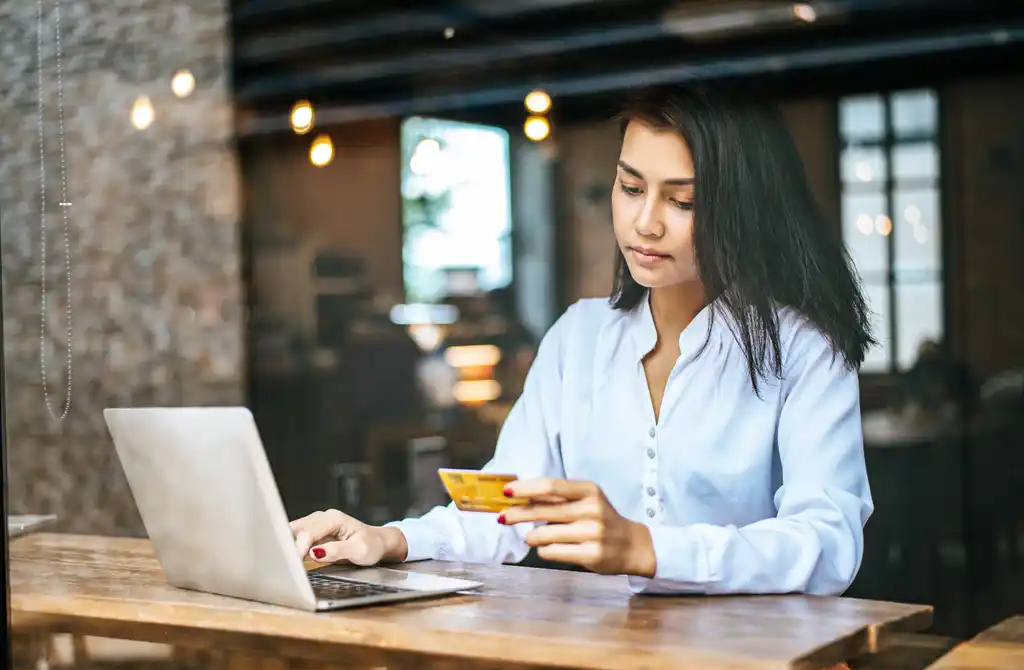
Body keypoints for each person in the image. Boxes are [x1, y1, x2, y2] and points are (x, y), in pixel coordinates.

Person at [292, 84, 875, 602]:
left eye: (683, 201)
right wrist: (389, 539)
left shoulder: (804, 349)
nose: (646, 222)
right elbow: (508, 509)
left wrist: (647, 548)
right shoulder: (580, 337)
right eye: (630, 187)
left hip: (754, 662)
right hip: (605, 657)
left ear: (743, 207)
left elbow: (828, 543)